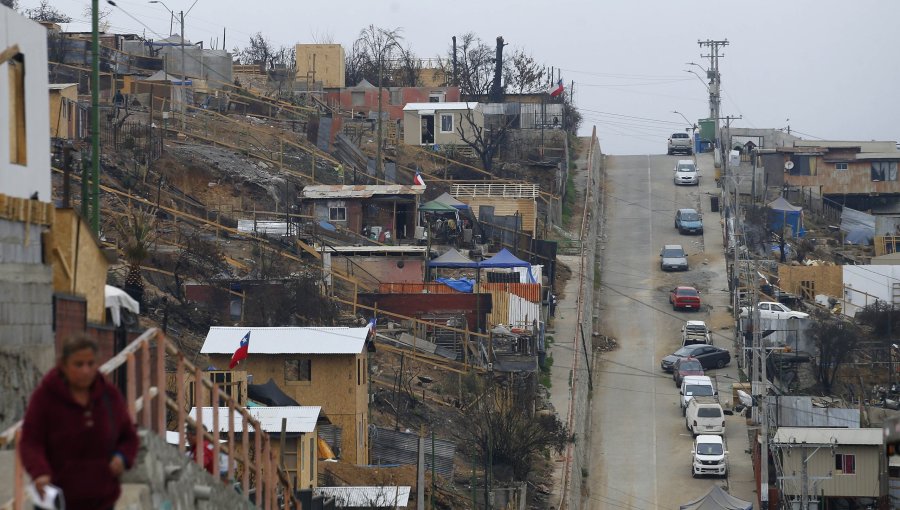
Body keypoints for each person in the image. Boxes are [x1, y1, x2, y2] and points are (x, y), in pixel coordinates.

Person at [20, 334, 139, 510]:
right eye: (78, 364)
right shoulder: (45, 397)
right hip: (58, 502)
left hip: (102, 501)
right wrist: (40, 472)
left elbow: (129, 437)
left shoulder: (109, 396)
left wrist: (121, 457)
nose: (86, 370)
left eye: (91, 364)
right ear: (63, 365)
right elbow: (31, 441)